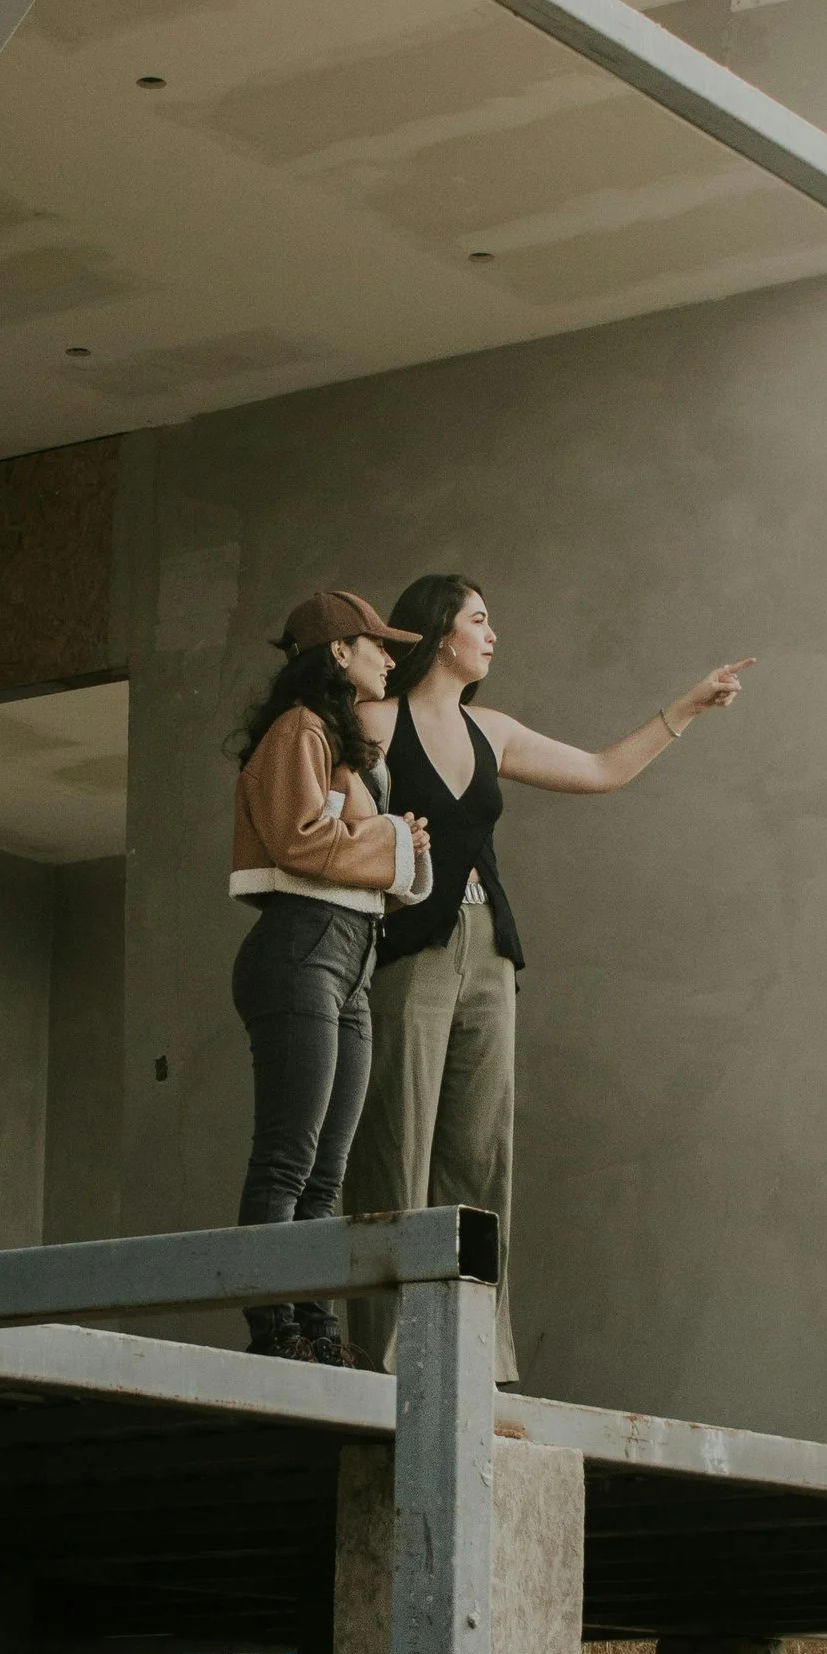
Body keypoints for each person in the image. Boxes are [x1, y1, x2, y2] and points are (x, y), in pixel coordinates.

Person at [347, 573, 751, 1383]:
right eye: (479, 620)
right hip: (408, 948)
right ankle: (380, 1356)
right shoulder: (371, 723)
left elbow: (602, 770)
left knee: (479, 1155)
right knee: (398, 1145)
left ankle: (474, 1358)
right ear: (438, 631)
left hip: (489, 948)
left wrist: (685, 710)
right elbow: (336, 815)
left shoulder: (490, 729)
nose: (492, 635)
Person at [228, 587, 432, 1362]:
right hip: (302, 949)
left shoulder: (341, 746)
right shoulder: (299, 729)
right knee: (288, 1156)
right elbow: (299, 839)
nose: (390, 656)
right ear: (338, 652)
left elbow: (360, 852)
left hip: (348, 955)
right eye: (378, 643)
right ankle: (272, 1330)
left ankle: (315, 1329)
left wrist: (393, 841)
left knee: (326, 1171)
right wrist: (389, 838)